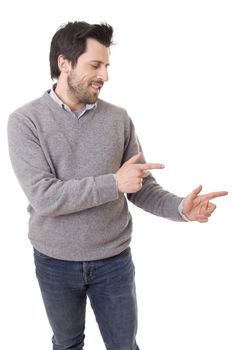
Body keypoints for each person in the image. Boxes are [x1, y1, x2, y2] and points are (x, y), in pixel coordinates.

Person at [7, 21, 228, 350]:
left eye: (107, 65)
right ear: (63, 63)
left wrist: (180, 208)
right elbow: (45, 197)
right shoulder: (26, 121)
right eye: (95, 65)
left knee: (124, 345)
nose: (105, 76)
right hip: (54, 261)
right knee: (67, 344)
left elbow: (139, 186)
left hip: (113, 260)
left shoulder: (118, 119)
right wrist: (113, 183)